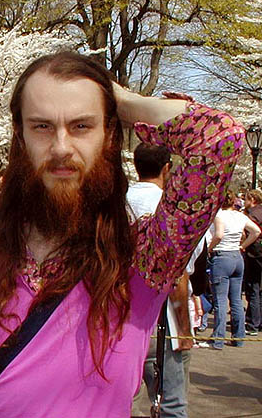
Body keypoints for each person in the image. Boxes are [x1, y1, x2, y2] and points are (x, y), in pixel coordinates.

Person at [0, 52, 245, 418]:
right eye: (42, 127)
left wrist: (121, 100)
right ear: (21, 137)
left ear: (109, 135)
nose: (61, 147)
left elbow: (220, 138)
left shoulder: (145, 254)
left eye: (81, 126)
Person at [126, 142, 196, 418]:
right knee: (171, 402)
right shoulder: (173, 208)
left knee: (122, 402)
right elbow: (178, 273)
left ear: (135, 165)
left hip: (122, 314)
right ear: (167, 168)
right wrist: (184, 329)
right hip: (164, 318)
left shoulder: (118, 202)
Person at [207, 190, 261, 349]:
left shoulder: (219, 215)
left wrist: (210, 248)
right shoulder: (240, 216)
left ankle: (218, 338)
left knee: (220, 300)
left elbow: (218, 235)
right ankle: (239, 337)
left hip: (222, 256)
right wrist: (242, 246)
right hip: (237, 257)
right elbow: (256, 231)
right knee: (236, 299)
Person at [243, 189, 262, 335]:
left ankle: (253, 323)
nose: (244, 202)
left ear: (253, 200)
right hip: (258, 253)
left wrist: (243, 245)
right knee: (259, 288)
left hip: (254, 253)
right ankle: (256, 320)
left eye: (246, 199)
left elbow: (251, 232)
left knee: (253, 287)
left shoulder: (252, 215)